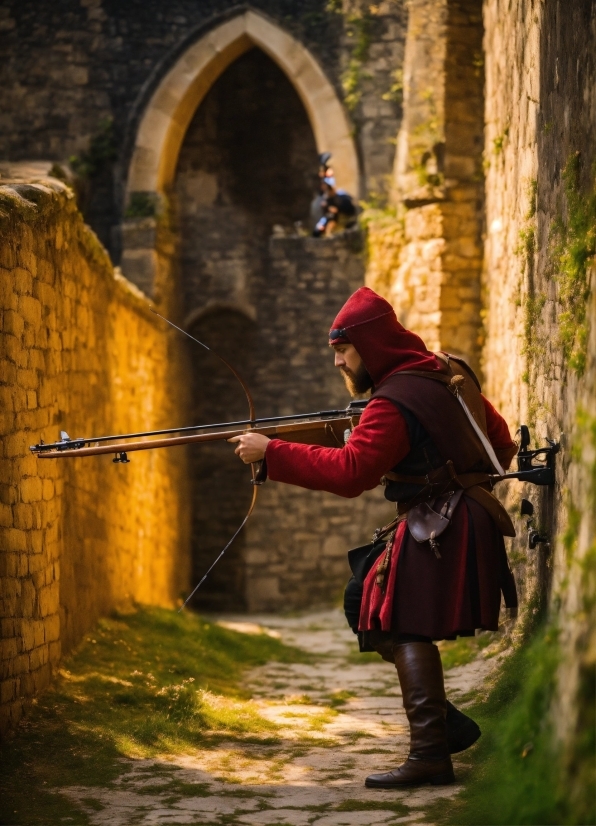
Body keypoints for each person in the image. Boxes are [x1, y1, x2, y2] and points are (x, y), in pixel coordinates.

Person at [229, 287, 518, 788]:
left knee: (399, 620)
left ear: (370, 344)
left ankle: (430, 752)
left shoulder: (393, 400)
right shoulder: (444, 369)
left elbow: (350, 474)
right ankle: (444, 727)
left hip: (443, 520)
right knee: (361, 597)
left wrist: (271, 452)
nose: (339, 360)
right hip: (461, 512)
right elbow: (501, 442)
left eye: (343, 349)